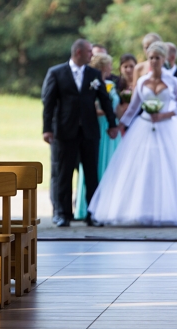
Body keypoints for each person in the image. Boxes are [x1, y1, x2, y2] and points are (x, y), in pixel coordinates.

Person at [88, 41, 177, 226]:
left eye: (157, 58)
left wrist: (164, 114)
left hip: (166, 127)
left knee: (167, 166)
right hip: (144, 126)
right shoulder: (141, 81)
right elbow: (133, 108)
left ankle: (167, 211)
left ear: (164, 59)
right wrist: (120, 125)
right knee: (142, 166)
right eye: (151, 58)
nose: (154, 61)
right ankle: (139, 210)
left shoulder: (173, 81)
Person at [42, 39, 119, 227]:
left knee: (92, 173)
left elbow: (105, 99)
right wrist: (47, 129)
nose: (92, 55)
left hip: (89, 131)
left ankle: (92, 214)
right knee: (63, 173)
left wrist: (111, 123)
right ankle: (62, 214)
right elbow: (49, 103)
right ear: (78, 53)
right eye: (89, 52)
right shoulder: (57, 73)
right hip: (65, 131)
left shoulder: (93, 74)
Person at [74, 53, 122, 222]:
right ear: (103, 67)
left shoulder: (110, 84)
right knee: (94, 167)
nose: (111, 68)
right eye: (109, 65)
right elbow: (91, 107)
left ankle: (109, 207)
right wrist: (108, 113)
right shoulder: (91, 83)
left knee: (111, 166)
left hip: (111, 130)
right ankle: (88, 208)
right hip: (98, 128)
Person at [115, 53, 137, 119]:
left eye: (131, 66)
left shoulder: (141, 83)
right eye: (125, 67)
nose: (128, 70)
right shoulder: (116, 84)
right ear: (120, 69)